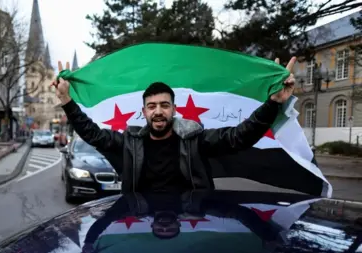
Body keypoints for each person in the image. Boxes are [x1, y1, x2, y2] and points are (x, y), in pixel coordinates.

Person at [52, 57, 296, 195]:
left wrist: (273, 102)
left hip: (193, 224)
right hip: (139, 221)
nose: (158, 111)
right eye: (152, 106)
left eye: (164, 105)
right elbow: (93, 134)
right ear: (144, 112)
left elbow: (239, 137)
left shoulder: (195, 139)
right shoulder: (130, 140)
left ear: (174, 109)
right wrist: (66, 101)